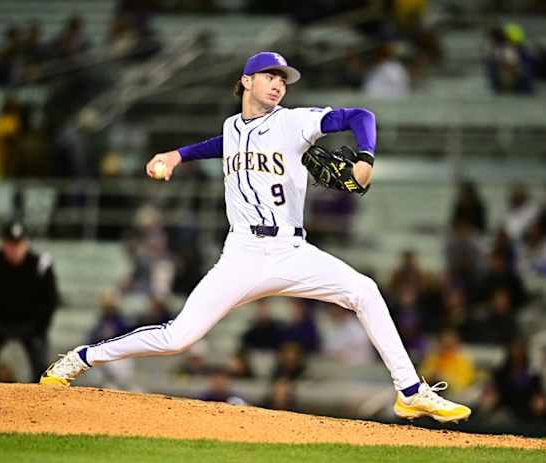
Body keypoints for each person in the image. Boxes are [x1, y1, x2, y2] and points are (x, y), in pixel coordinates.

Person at [40, 51, 470, 423]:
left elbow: (362, 116)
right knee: (178, 338)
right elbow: (221, 143)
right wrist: (176, 155)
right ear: (246, 80)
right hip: (243, 253)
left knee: (365, 291)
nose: (278, 85)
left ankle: (411, 392)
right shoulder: (232, 128)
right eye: (270, 76)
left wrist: (364, 158)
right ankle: (82, 357)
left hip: (291, 250)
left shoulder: (295, 123)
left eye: (283, 79)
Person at [0, 221, 59, 381]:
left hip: (32, 325)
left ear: (26, 244)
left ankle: (46, 400)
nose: (14, 249)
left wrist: (37, 328)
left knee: (44, 368)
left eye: (19, 244)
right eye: (10, 244)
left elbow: (50, 302)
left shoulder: (40, 264)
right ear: (3, 244)